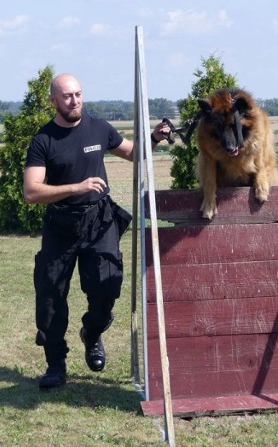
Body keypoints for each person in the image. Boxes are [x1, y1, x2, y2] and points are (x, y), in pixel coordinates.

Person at [23, 73, 170, 390]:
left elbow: (134, 153)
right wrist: (77, 187)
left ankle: (92, 332)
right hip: (60, 225)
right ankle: (55, 365)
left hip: (98, 220)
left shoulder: (98, 128)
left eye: (77, 94)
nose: (74, 100)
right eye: (66, 96)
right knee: (49, 297)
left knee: (107, 285)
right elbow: (32, 192)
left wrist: (154, 137)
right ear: (53, 100)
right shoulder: (43, 140)